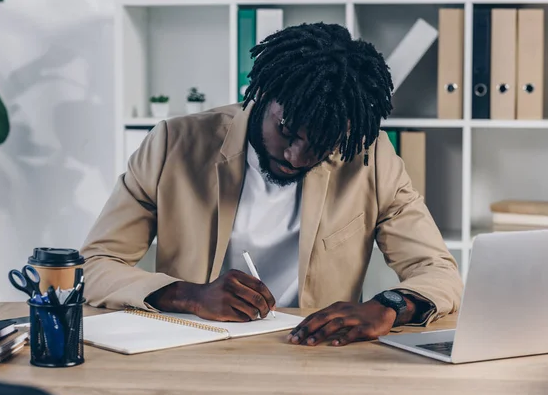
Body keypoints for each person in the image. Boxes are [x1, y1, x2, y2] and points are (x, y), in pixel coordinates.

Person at [80, 22, 463, 347]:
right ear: (263, 95)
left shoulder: (370, 157)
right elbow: (94, 265)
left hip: (315, 355)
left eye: (321, 145)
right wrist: (188, 295)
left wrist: (389, 305)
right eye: (286, 131)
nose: (297, 157)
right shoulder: (173, 144)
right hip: (191, 353)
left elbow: (439, 272)